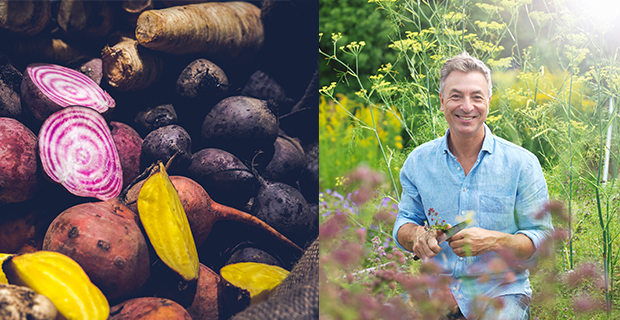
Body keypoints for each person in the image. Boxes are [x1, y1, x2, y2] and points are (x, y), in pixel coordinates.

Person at [392, 52, 554, 320]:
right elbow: (405, 221)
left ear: (488, 102)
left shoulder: (522, 164)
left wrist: (494, 240)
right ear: (442, 101)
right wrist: (416, 237)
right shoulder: (418, 162)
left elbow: (543, 239)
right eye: (456, 96)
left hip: (501, 291)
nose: (467, 106)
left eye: (476, 97)